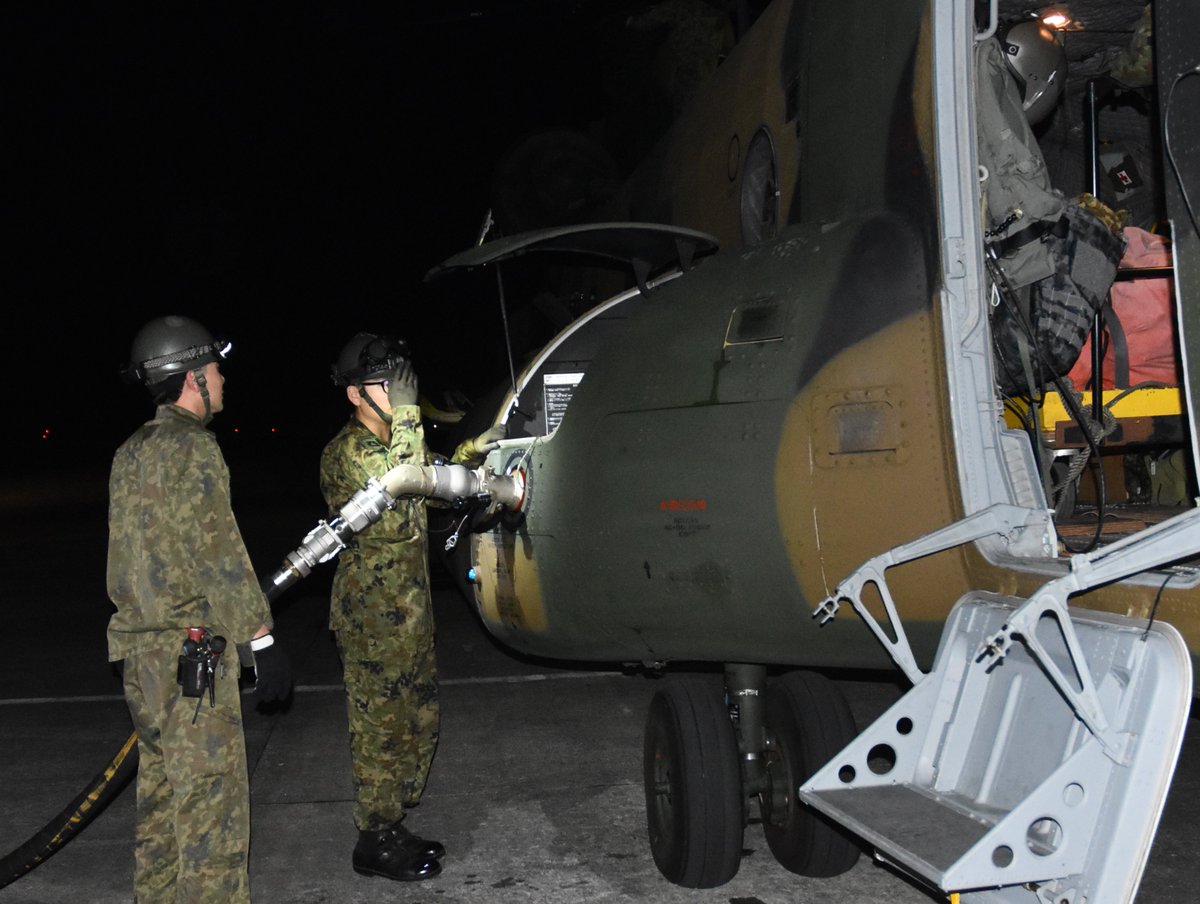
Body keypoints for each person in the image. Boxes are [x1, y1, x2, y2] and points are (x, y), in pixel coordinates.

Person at [107, 314, 292, 903]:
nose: (222, 379)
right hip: (191, 665)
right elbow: (217, 551)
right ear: (192, 379)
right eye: (215, 369)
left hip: (139, 658)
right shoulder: (193, 447)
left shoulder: (130, 452)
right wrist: (260, 638)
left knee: (161, 812)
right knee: (212, 823)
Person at [320, 332, 504, 882]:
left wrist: (473, 453)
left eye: (401, 385)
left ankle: (393, 821)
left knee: (417, 723)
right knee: (380, 727)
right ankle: (372, 839)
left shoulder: (397, 446)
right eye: (385, 385)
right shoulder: (346, 453)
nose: (399, 395)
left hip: (410, 613)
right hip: (372, 618)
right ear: (355, 394)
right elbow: (399, 513)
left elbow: (433, 478)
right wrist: (406, 417)